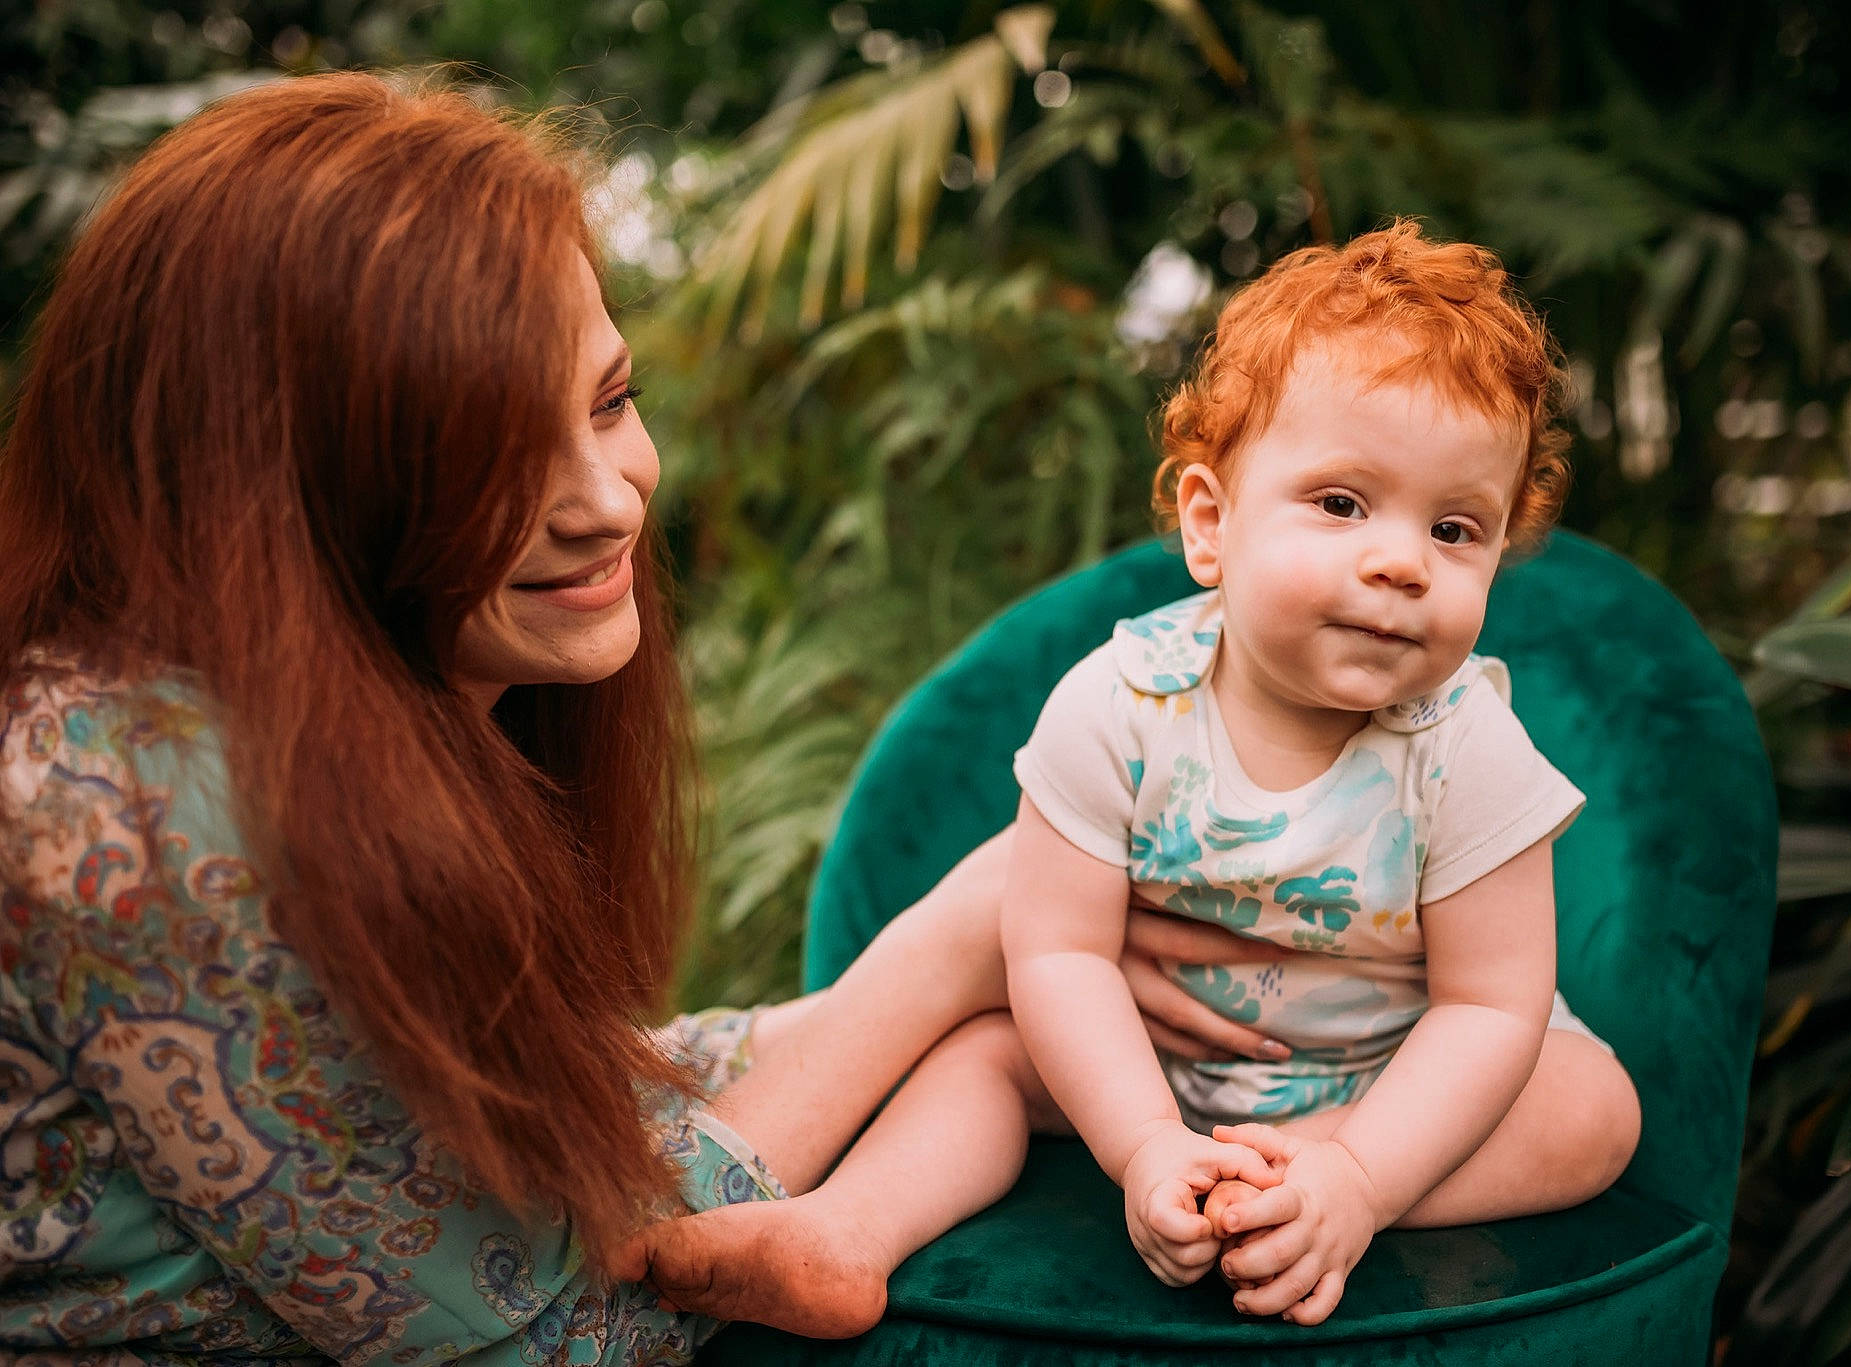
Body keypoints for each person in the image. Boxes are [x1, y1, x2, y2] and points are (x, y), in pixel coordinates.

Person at [0, 71, 1289, 1364]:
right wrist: (953, 944)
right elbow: (557, 1328)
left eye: (610, 401)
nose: (609, 501)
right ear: (281, 497)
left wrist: (998, 970)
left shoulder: (349, 705)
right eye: (491, 456)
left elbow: (565, 1105)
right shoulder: (141, 803)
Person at [617, 223, 1643, 1333]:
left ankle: (1296, 1186)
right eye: (1342, 503)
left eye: (1454, 529)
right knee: (985, 1054)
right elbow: (1055, 950)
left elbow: (1488, 1007)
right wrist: (1142, 1139)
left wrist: (1358, 1176)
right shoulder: (1119, 706)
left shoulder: (1469, 746)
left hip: (1393, 1079)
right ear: (1210, 524)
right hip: (1149, 1066)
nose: (1400, 561)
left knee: (1591, 1107)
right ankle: (844, 1229)